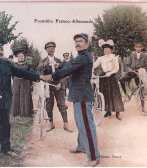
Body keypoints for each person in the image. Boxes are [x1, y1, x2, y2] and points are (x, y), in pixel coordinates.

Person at [0, 39, 44, 167]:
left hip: (6, 101)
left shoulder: (8, 64)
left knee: (5, 126)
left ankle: (6, 149)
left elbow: (21, 72)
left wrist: (38, 76)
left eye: (1, 49)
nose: (0, 52)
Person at [45, 33, 100, 167]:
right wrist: (60, 65)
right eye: (76, 41)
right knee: (80, 123)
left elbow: (70, 68)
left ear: (86, 43)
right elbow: (70, 64)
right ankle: (81, 146)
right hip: (78, 95)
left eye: (80, 41)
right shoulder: (81, 56)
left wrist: (51, 76)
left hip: (82, 96)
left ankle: (94, 157)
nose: (77, 44)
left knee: (86, 125)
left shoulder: (85, 56)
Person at [37, 42, 72, 133]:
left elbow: (63, 73)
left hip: (59, 86)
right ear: (46, 50)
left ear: (55, 49)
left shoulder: (59, 60)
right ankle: (51, 124)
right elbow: (39, 69)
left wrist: (61, 83)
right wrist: (44, 65)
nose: (51, 49)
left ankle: (66, 124)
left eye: (52, 48)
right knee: (49, 105)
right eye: (49, 48)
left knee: (62, 105)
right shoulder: (43, 60)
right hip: (48, 86)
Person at [93, 39, 124, 120]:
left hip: (112, 76)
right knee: (105, 94)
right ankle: (108, 111)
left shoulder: (114, 57)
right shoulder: (101, 58)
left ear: (110, 49)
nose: (106, 50)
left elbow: (116, 68)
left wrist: (110, 73)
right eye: (104, 49)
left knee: (114, 94)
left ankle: (118, 112)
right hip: (104, 77)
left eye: (107, 49)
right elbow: (94, 65)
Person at [11, 50, 34, 117]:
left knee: (25, 97)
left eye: (22, 56)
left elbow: (30, 75)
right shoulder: (14, 65)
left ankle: (25, 113)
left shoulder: (27, 65)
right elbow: (12, 74)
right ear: (17, 57)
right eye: (19, 56)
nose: (21, 57)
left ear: (24, 57)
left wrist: (31, 84)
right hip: (16, 83)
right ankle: (16, 113)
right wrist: (15, 80)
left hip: (25, 83)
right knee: (16, 96)